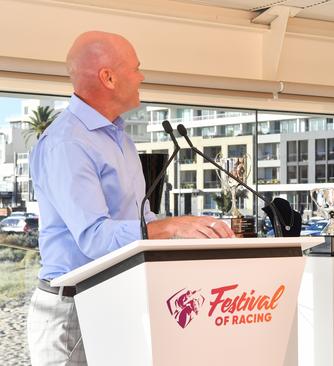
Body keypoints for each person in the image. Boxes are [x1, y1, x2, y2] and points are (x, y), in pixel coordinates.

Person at [27, 31, 235, 365]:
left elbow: (143, 221)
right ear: (107, 77)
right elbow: (94, 238)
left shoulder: (120, 139)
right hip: (73, 310)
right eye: (135, 68)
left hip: (116, 299)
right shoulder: (67, 144)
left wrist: (191, 235)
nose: (141, 76)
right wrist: (169, 229)